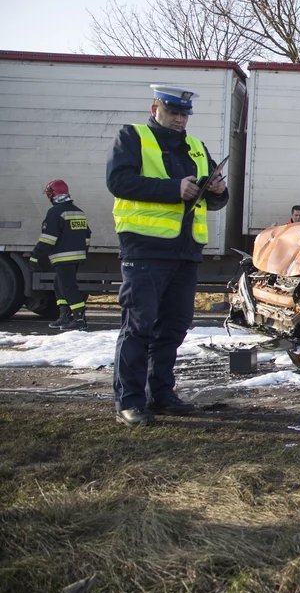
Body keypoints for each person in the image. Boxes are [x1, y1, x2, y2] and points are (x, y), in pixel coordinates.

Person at [105, 85, 229, 427]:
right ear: (155, 108)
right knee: (139, 326)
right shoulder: (133, 137)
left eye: (184, 114)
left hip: (185, 251)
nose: (179, 119)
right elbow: (118, 181)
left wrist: (218, 190)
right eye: (173, 112)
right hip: (145, 248)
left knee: (173, 327)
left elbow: (217, 199)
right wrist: (172, 190)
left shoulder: (196, 147)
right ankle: (129, 402)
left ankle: (161, 394)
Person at [29, 180, 91, 331]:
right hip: (76, 257)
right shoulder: (78, 211)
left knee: (68, 287)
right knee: (59, 285)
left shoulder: (56, 212)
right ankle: (64, 316)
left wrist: (35, 256)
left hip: (63, 257)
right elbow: (87, 235)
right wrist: (83, 251)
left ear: (52, 195)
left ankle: (79, 319)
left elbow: (48, 238)